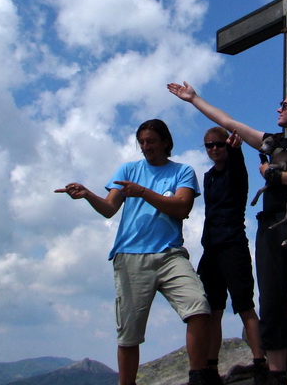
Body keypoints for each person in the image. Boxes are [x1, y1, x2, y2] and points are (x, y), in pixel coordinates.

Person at [167, 83, 287, 385]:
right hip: (270, 226)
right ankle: (275, 374)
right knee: (270, 299)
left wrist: (274, 174)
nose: (278, 109)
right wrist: (193, 99)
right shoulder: (271, 142)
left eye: (284, 105)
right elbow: (229, 123)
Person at [56, 119, 212, 385]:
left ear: (165, 141)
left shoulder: (183, 171)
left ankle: (198, 377)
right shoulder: (128, 169)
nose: (145, 146)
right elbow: (109, 208)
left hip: (170, 254)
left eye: (150, 141)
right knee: (129, 333)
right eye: (141, 142)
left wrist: (141, 191)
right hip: (130, 255)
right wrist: (87, 194)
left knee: (199, 307)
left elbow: (182, 207)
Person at [198, 127, 266, 385]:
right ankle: (211, 368)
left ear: (227, 146)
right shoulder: (208, 177)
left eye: (219, 144)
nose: (214, 149)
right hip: (212, 250)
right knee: (213, 311)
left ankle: (261, 363)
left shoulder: (236, 172)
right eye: (209, 146)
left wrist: (236, 148)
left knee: (244, 307)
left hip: (233, 246)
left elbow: (237, 164)